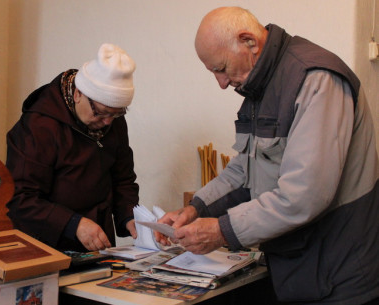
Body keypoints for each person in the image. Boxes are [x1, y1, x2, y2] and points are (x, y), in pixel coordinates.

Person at [156, 7, 379, 305]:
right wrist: (196, 209)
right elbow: (245, 169)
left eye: (221, 68)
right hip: (300, 271)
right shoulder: (260, 86)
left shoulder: (316, 79)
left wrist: (222, 231)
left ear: (249, 41)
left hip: (339, 278)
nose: (221, 83)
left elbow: (304, 196)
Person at [6, 43, 139, 252]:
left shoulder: (112, 120)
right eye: (100, 112)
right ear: (78, 94)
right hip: (46, 244)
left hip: (97, 244)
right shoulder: (38, 126)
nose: (107, 123)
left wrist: (130, 218)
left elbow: (123, 180)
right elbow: (21, 198)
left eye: (116, 114)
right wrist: (73, 223)